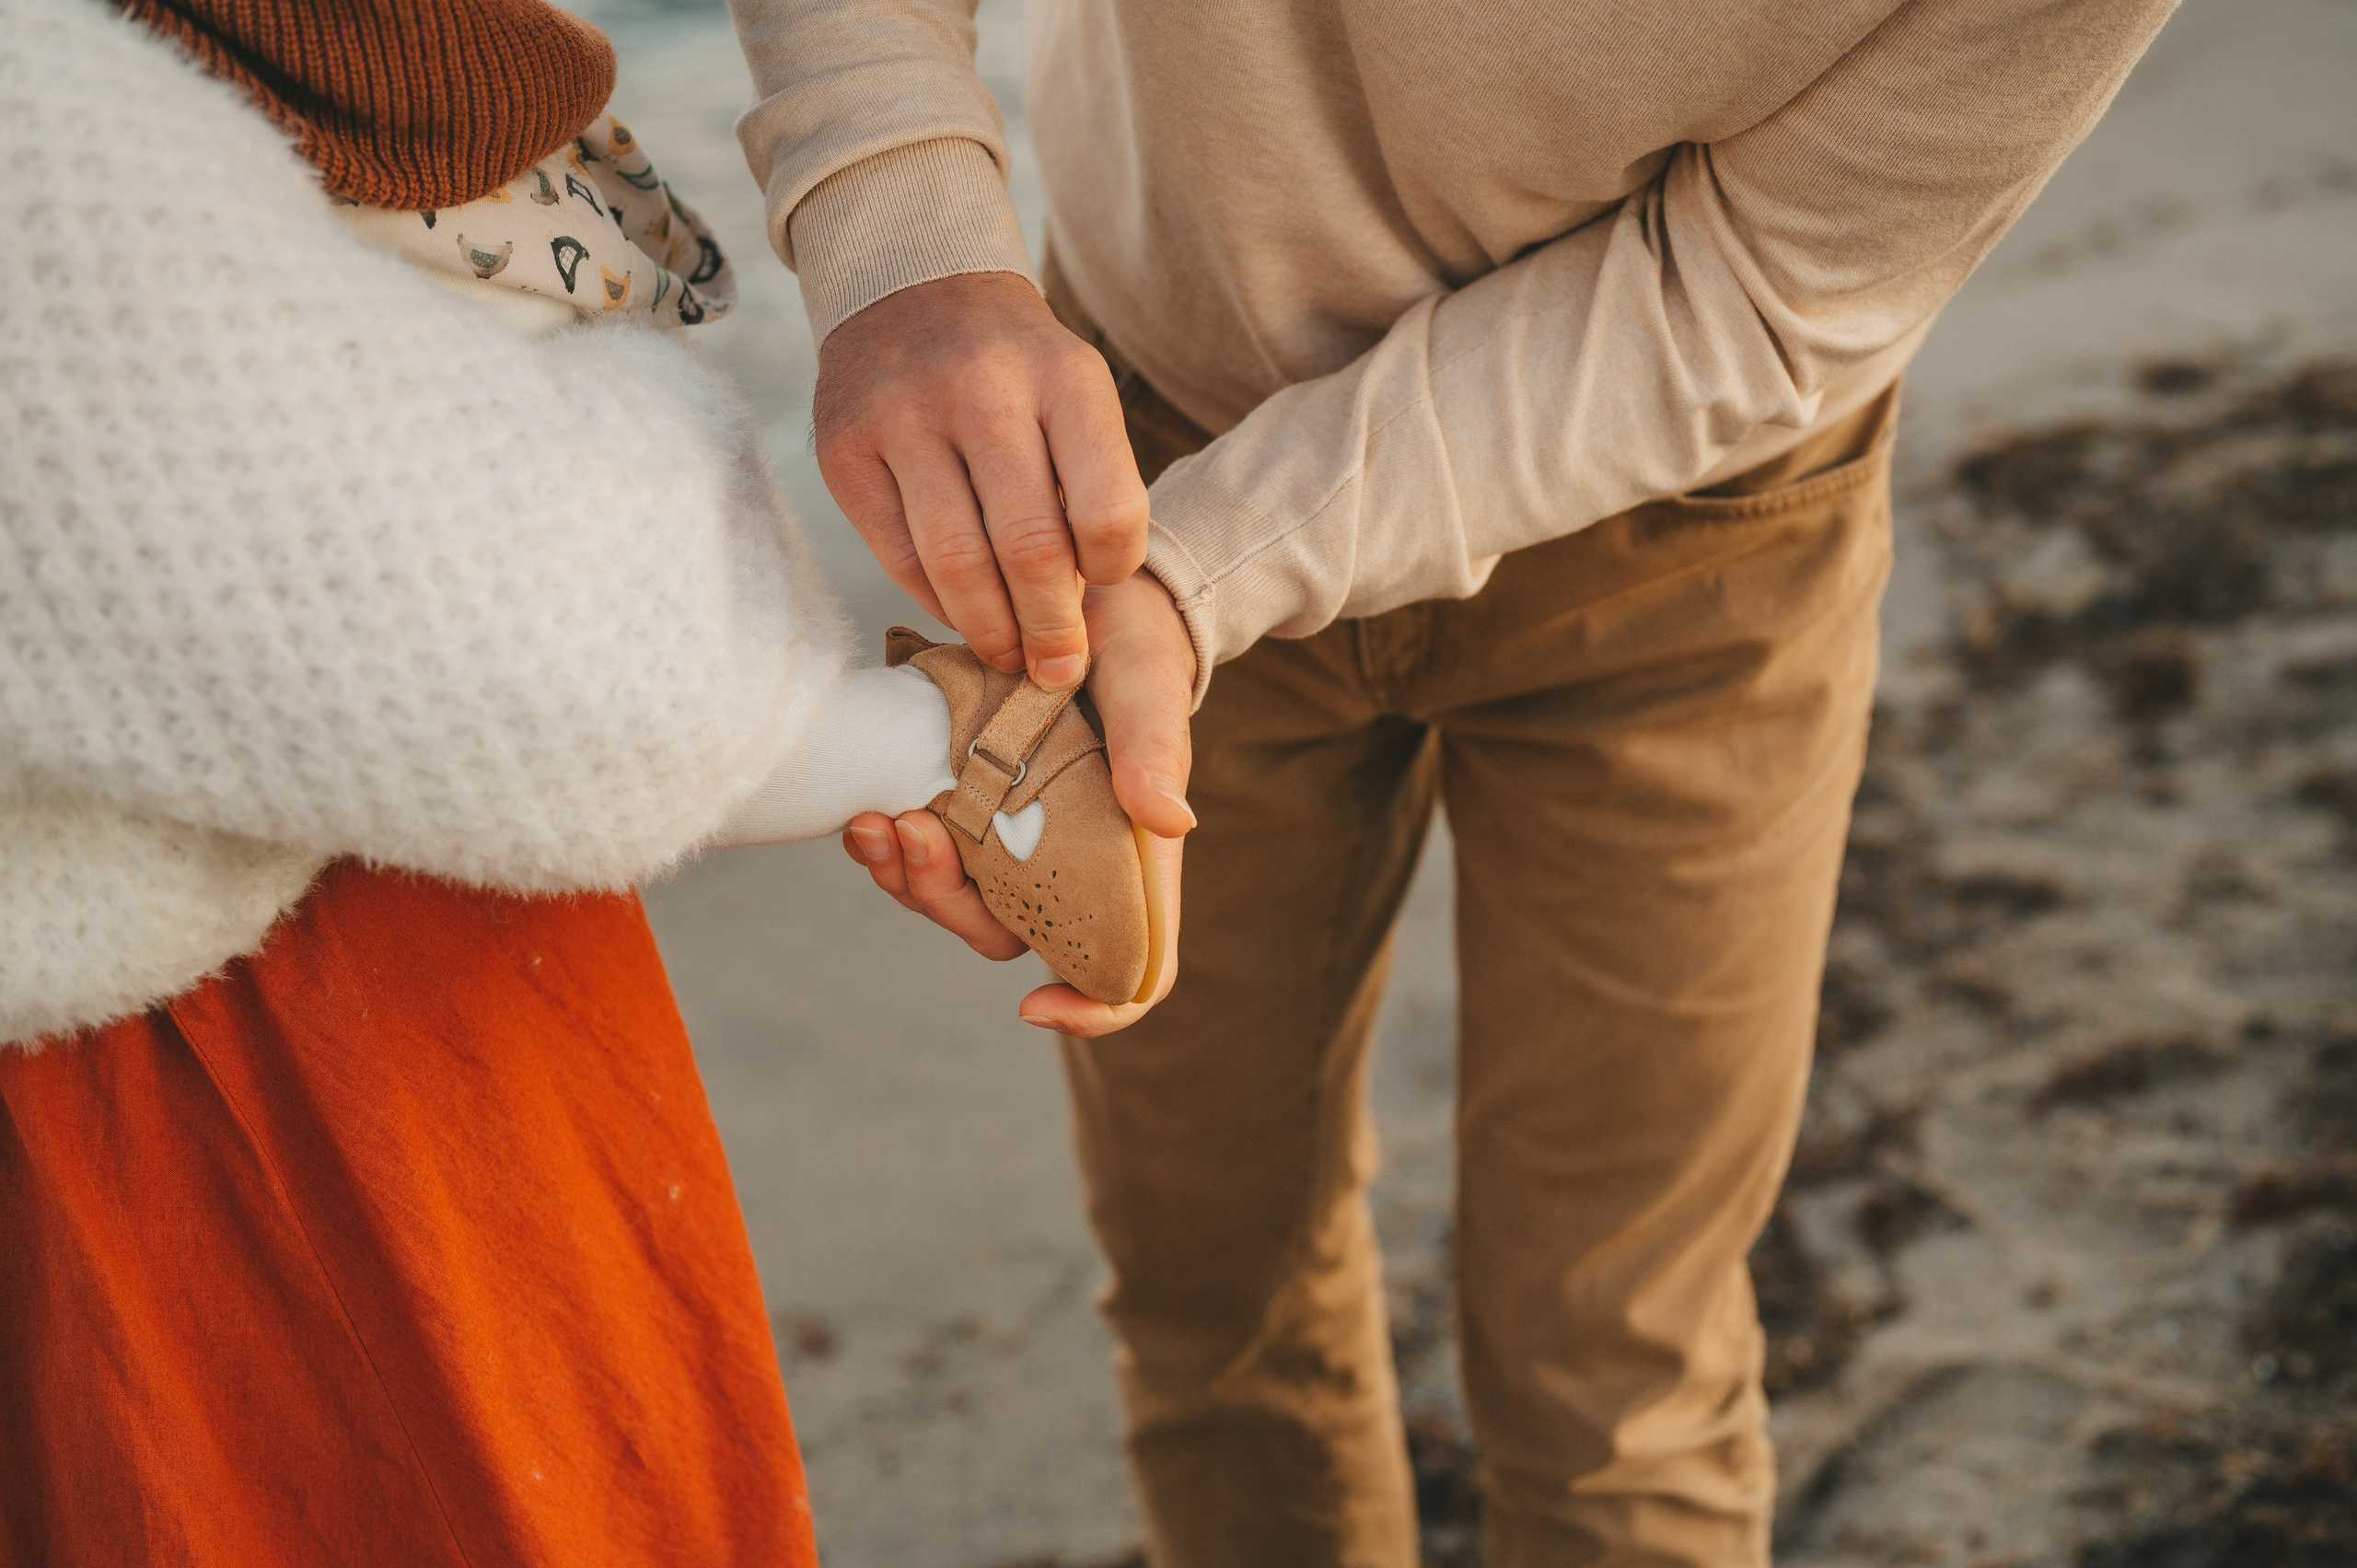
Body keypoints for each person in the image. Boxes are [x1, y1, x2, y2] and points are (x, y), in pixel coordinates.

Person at [727, 0, 2181, 1561]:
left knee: (1618, 1374)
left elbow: (1750, 294)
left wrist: (1210, 573)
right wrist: (905, 224)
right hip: (1138, 436)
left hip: (1687, 534)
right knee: (1210, 1286)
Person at [0, 0, 1160, 1556]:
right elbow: (546, 654)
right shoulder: (49, 128)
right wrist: (918, 741)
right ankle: (959, 741)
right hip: (252, 1063)